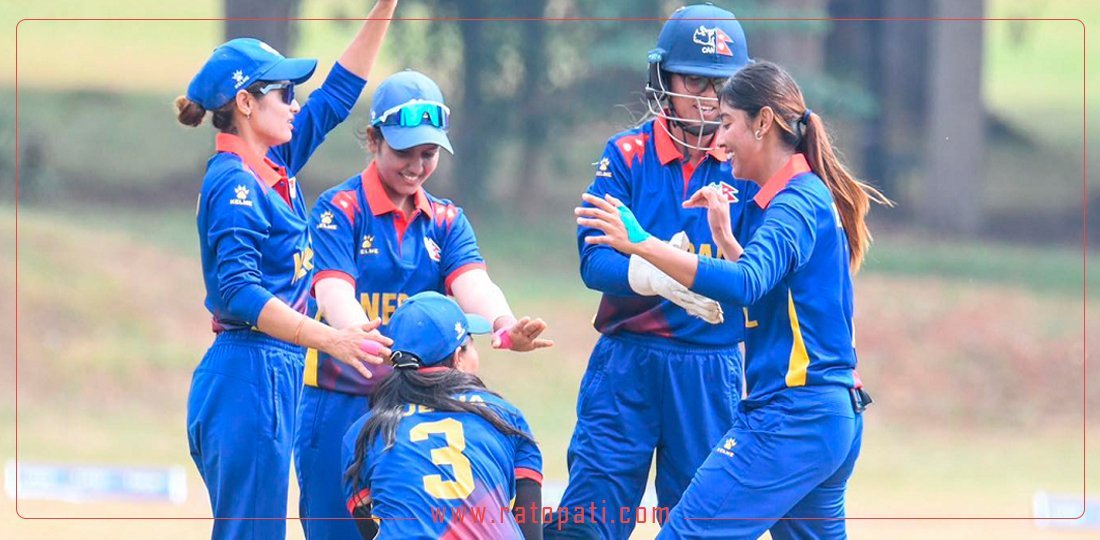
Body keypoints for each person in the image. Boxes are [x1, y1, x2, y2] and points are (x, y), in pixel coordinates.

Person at [575, 60, 890, 539]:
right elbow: (767, 291)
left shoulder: (796, 202)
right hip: (827, 419)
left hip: (792, 419)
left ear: (762, 123)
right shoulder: (796, 197)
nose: (718, 142)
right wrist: (725, 237)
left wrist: (642, 244)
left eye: (727, 124)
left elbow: (745, 283)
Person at [296, 69, 553, 539]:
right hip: (340, 401)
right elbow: (334, 294)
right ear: (373, 140)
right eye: (403, 152)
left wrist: (504, 323)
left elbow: (473, 282)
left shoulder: (448, 220)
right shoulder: (339, 210)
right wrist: (383, 352)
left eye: (428, 153)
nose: (416, 166)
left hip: (416, 408)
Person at [177, 2, 397, 538]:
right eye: (285, 94)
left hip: (271, 371)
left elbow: (340, 93)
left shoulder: (273, 163)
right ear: (246, 103)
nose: (297, 105)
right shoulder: (235, 183)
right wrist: (329, 337)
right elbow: (237, 291)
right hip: (247, 373)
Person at [550, 4, 756, 538]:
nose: (709, 100)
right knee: (587, 522)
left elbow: (762, 273)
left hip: (710, 369)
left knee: (701, 526)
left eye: (722, 85)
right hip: (628, 363)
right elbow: (595, 262)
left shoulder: (750, 164)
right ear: (662, 78)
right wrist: (658, 275)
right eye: (694, 81)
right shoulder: (626, 154)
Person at [341, 291, 544, 539]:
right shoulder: (505, 417)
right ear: (458, 358)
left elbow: (369, 529)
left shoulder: (364, 432)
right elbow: (531, 530)